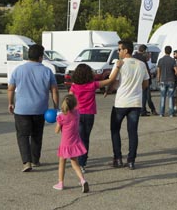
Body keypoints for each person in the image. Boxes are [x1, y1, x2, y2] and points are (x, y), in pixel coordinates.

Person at [8, 44, 59, 173]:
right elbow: (54, 90)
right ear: (41, 57)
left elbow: (11, 89)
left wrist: (10, 103)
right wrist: (55, 107)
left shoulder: (18, 70)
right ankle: (35, 159)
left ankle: (26, 162)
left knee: (23, 135)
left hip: (21, 110)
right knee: (37, 135)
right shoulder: (47, 71)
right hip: (40, 110)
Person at [70, 61, 123, 174]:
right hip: (89, 115)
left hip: (76, 115)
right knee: (86, 139)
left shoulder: (74, 86)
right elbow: (110, 80)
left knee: (79, 138)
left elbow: (69, 99)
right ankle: (83, 163)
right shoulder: (93, 85)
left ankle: (78, 161)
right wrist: (117, 67)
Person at [110, 40, 149, 170]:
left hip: (121, 102)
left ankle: (118, 158)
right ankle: (131, 160)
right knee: (132, 132)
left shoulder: (119, 64)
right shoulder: (142, 64)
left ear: (126, 50)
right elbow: (145, 84)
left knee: (115, 130)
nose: (118, 52)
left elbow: (113, 82)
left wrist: (109, 90)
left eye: (119, 49)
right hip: (136, 103)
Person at [53, 94, 89, 193]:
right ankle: (82, 180)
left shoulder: (61, 117)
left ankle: (60, 183)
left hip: (65, 144)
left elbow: (56, 131)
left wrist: (57, 119)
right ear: (74, 104)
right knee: (75, 163)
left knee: (62, 163)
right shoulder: (77, 113)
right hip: (75, 142)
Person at [133, 44, 157, 116]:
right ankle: (143, 110)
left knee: (138, 96)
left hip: (135, 79)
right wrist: (150, 77)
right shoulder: (142, 58)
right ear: (144, 51)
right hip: (144, 79)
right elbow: (146, 70)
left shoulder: (133, 57)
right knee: (146, 96)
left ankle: (142, 110)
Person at [156, 46, 177, 117]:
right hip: (171, 80)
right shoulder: (172, 60)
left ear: (165, 51)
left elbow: (158, 71)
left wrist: (158, 79)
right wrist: (175, 75)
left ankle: (161, 113)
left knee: (162, 97)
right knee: (171, 97)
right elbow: (176, 71)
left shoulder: (160, 60)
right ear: (170, 51)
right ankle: (171, 113)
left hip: (162, 80)